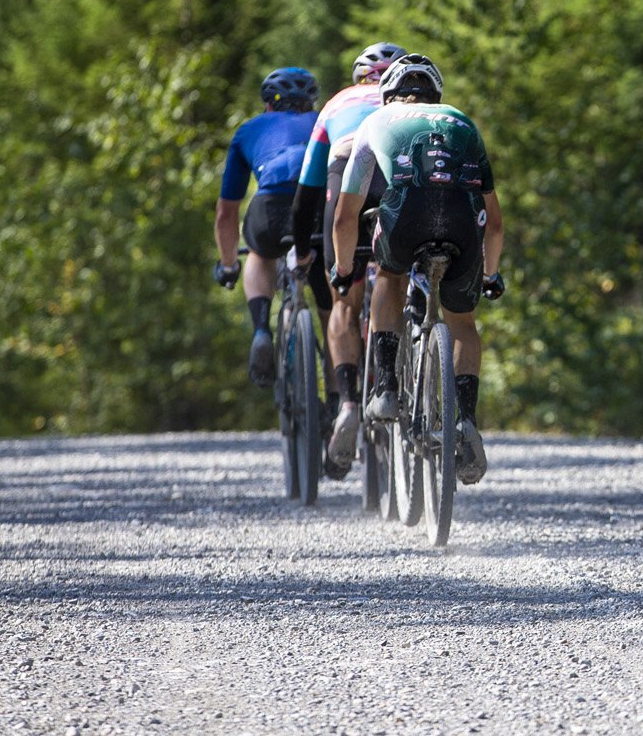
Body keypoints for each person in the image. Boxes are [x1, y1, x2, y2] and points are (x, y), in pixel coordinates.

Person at [330, 54, 506, 485]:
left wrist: (343, 268)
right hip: (463, 221)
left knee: (389, 276)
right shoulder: (462, 121)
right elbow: (496, 222)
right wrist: (490, 275)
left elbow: (345, 215)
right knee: (463, 323)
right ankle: (466, 420)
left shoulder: (375, 121)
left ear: (388, 94)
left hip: (406, 214)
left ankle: (387, 388)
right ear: (436, 95)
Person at [290, 42, 405, 477]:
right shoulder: (413, 105)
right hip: (398, 178)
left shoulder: (336, 104)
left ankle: (349, 403)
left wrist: (305, 249)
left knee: (343, 300)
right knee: (397, 274)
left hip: (347, 176)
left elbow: (307, 190)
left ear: (360, 77)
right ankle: (405, 354)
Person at [212, 67, 325, 388]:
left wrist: (229, 265)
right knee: (334, 310)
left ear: (268, 104)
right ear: (311, 102)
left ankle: (261, 328)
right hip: (317, 204)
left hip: (269, 207)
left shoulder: (249, 130)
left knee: (259, 252)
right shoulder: (325, 120)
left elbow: (226, 212)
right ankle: (337, 395)